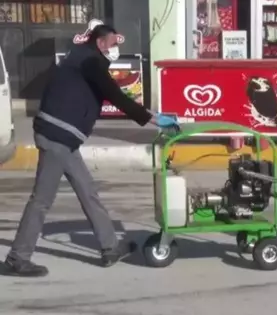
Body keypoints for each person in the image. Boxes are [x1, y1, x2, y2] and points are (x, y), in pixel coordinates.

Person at [3, 24, 179, 277]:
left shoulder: (83, 58)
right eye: (113, 44)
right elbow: (114, 95)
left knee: (88, 191)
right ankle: (18, 258)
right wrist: (152, 118)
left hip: (63, 137)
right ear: (100, 43)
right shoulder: (89, 61)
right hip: (56, 136)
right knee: (41, 200)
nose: (116, 49)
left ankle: (110, 247)